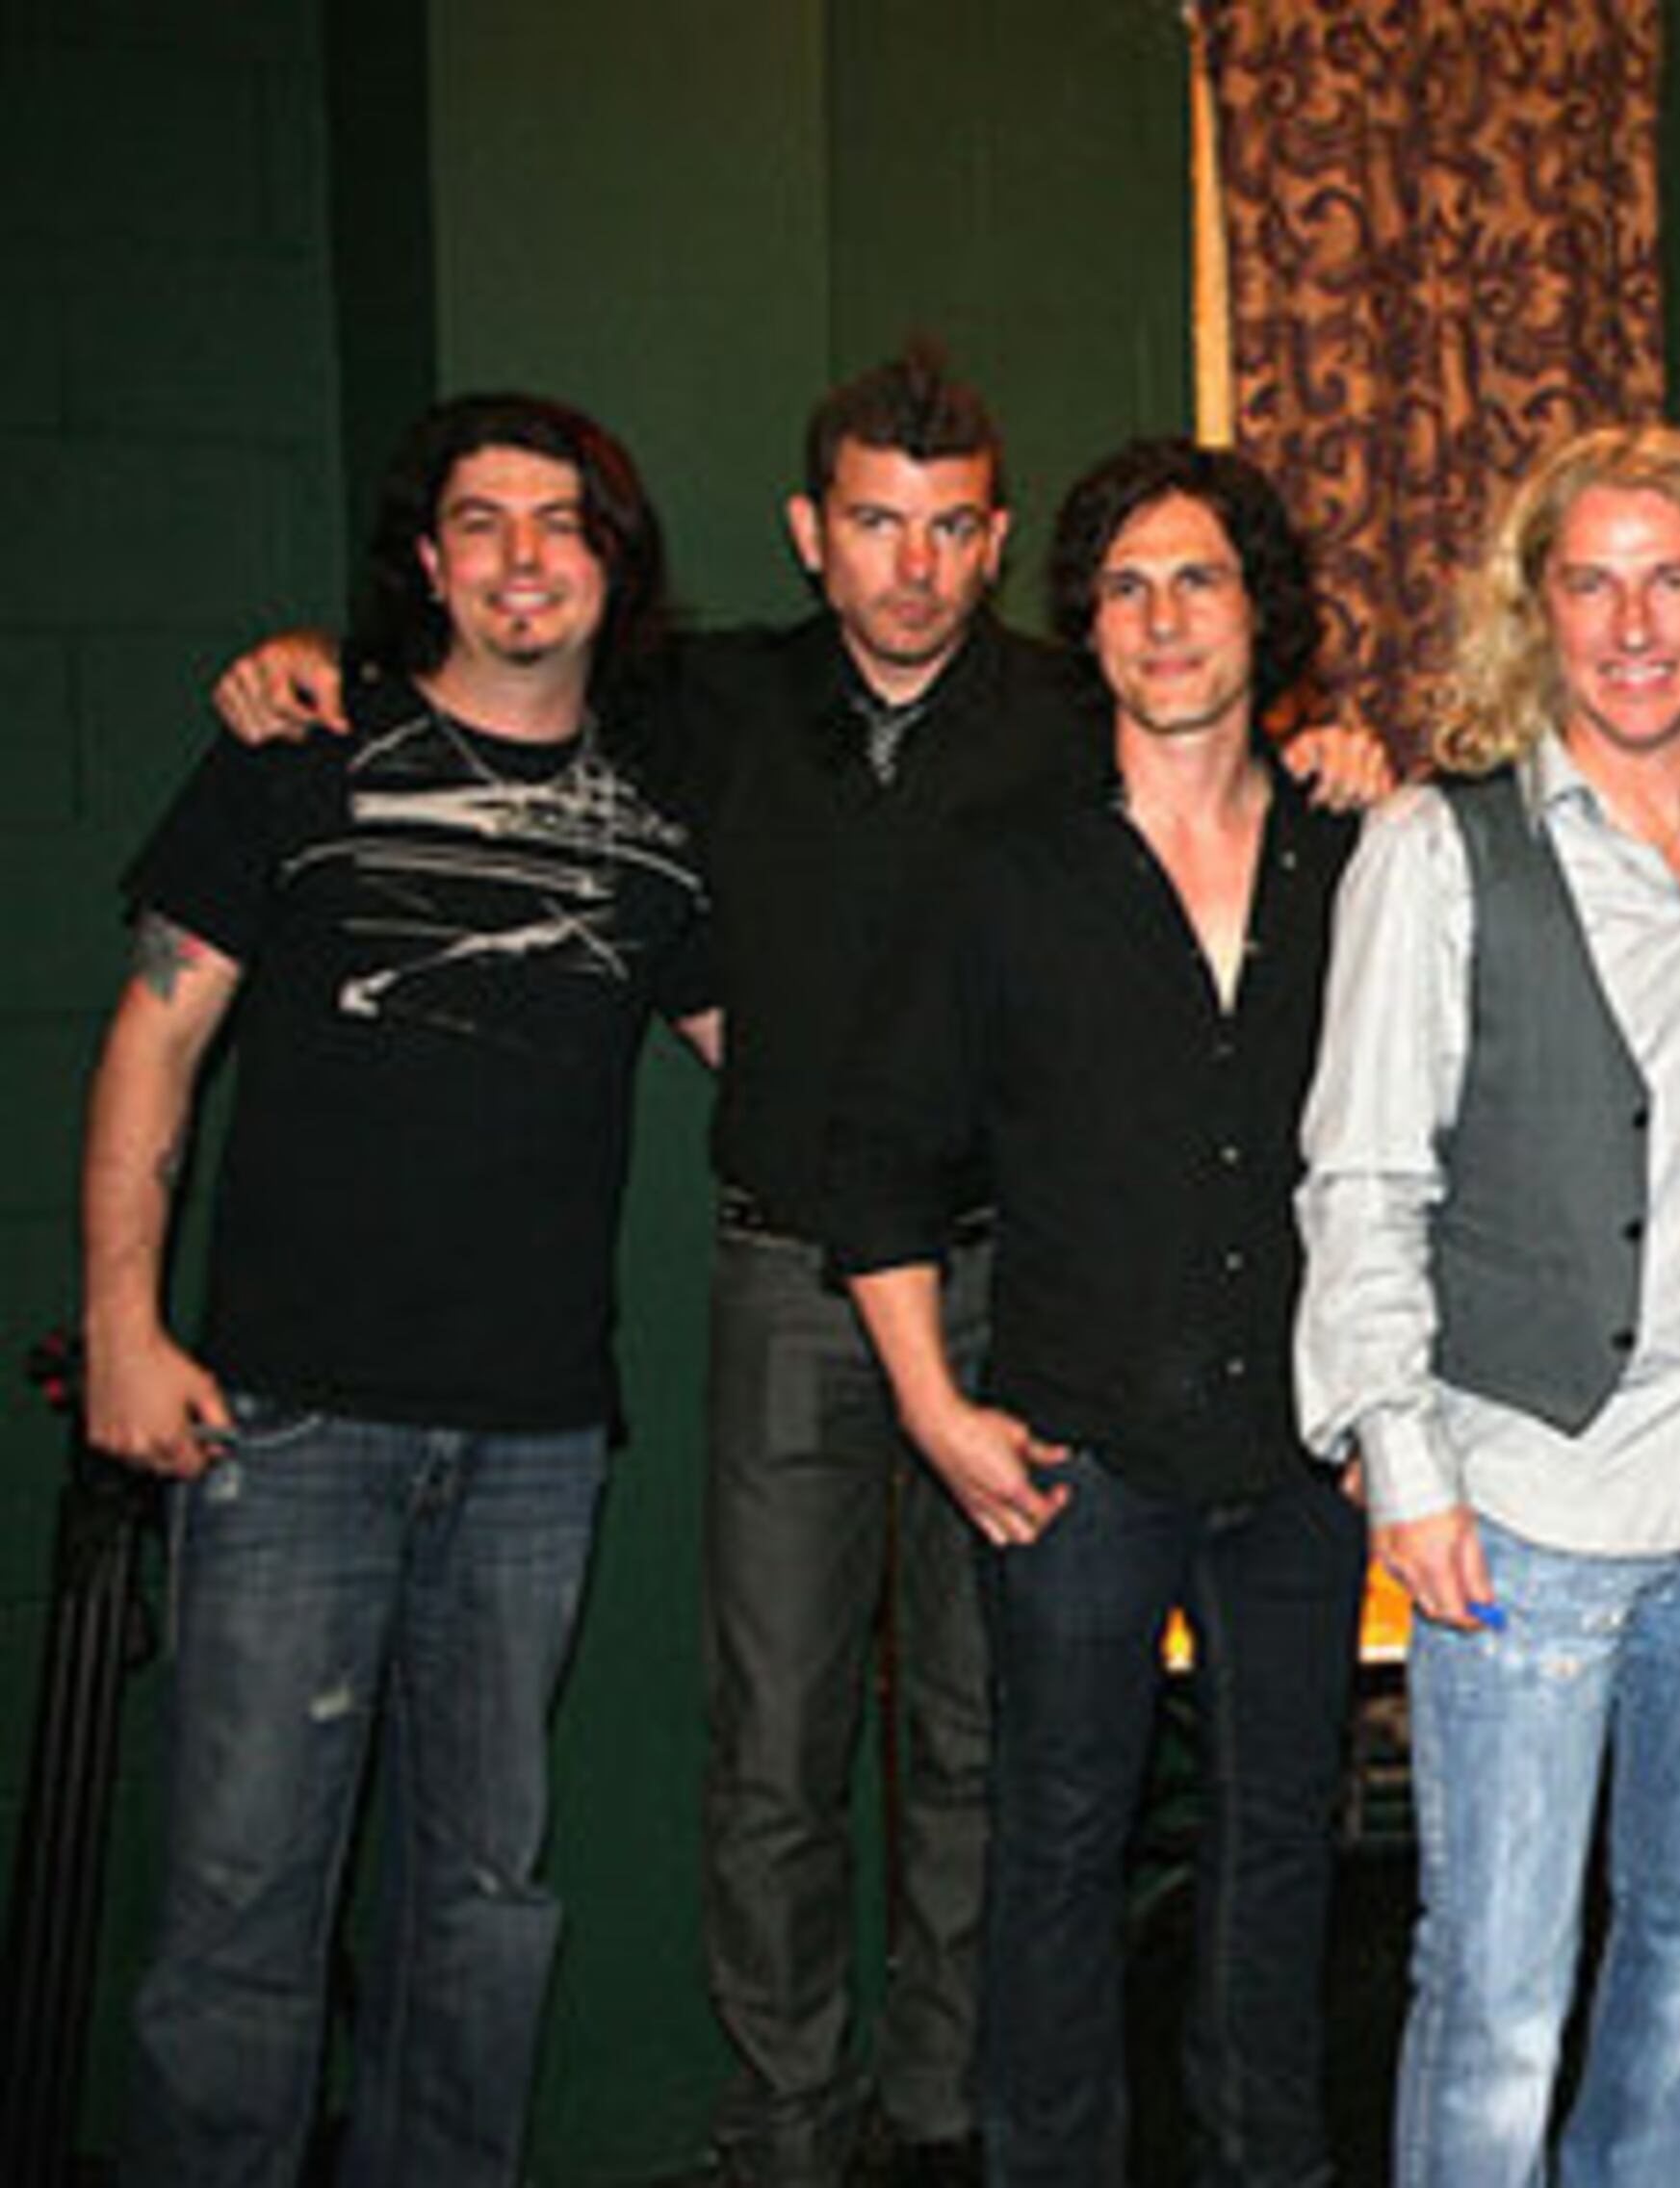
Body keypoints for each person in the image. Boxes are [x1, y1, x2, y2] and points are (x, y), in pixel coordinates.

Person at [206, 347, 1388, 2185]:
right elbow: (501, 667)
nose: (910, 565)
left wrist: (1338, 738)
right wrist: (320, 669)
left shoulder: (1073, 707)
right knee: (776, 1735)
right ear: (809, 534)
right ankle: (785, 2122)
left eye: (946, 530)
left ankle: (943, 2110)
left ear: (994, 545)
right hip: (794, 1286)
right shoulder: (704, 700)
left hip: (1033, 1291)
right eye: (871, 525)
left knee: (993, 1752)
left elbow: (1231, 740)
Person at [86, 393, 715, 2186]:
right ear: (428, 559)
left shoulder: (659, 817)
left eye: (563, 523)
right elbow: (155, 1032)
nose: (525, 557)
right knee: (236, 1924)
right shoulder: (302, 754)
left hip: (531, 1446)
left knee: (482, 1912)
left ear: (613, 563)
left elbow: (785, 1058)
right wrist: (127, 1324)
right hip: (285, 1427)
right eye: (483, 521)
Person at [827, 439, 1367, 2187]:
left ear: (1259, 609)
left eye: (1197, 576)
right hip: (1070, 1456)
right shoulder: (1005, 875)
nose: (1161, 616)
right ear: (1090, 625)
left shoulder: (1362, 860)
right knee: (1055, 1847)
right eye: (1126, 585)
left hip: (1299, 1464)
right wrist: (933, 1405)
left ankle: (1261, 2160)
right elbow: (880, 1162)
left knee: (1283, 1842)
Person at [1294, 422, 1680, 2187]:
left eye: (1669, 578)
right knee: (1501, 1983)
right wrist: (1405, 1466)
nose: (1632, 623)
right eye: (1588, 582)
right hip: (1527, 1509)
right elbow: (1364, 1178)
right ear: (1536, 612)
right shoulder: (1436, 851)